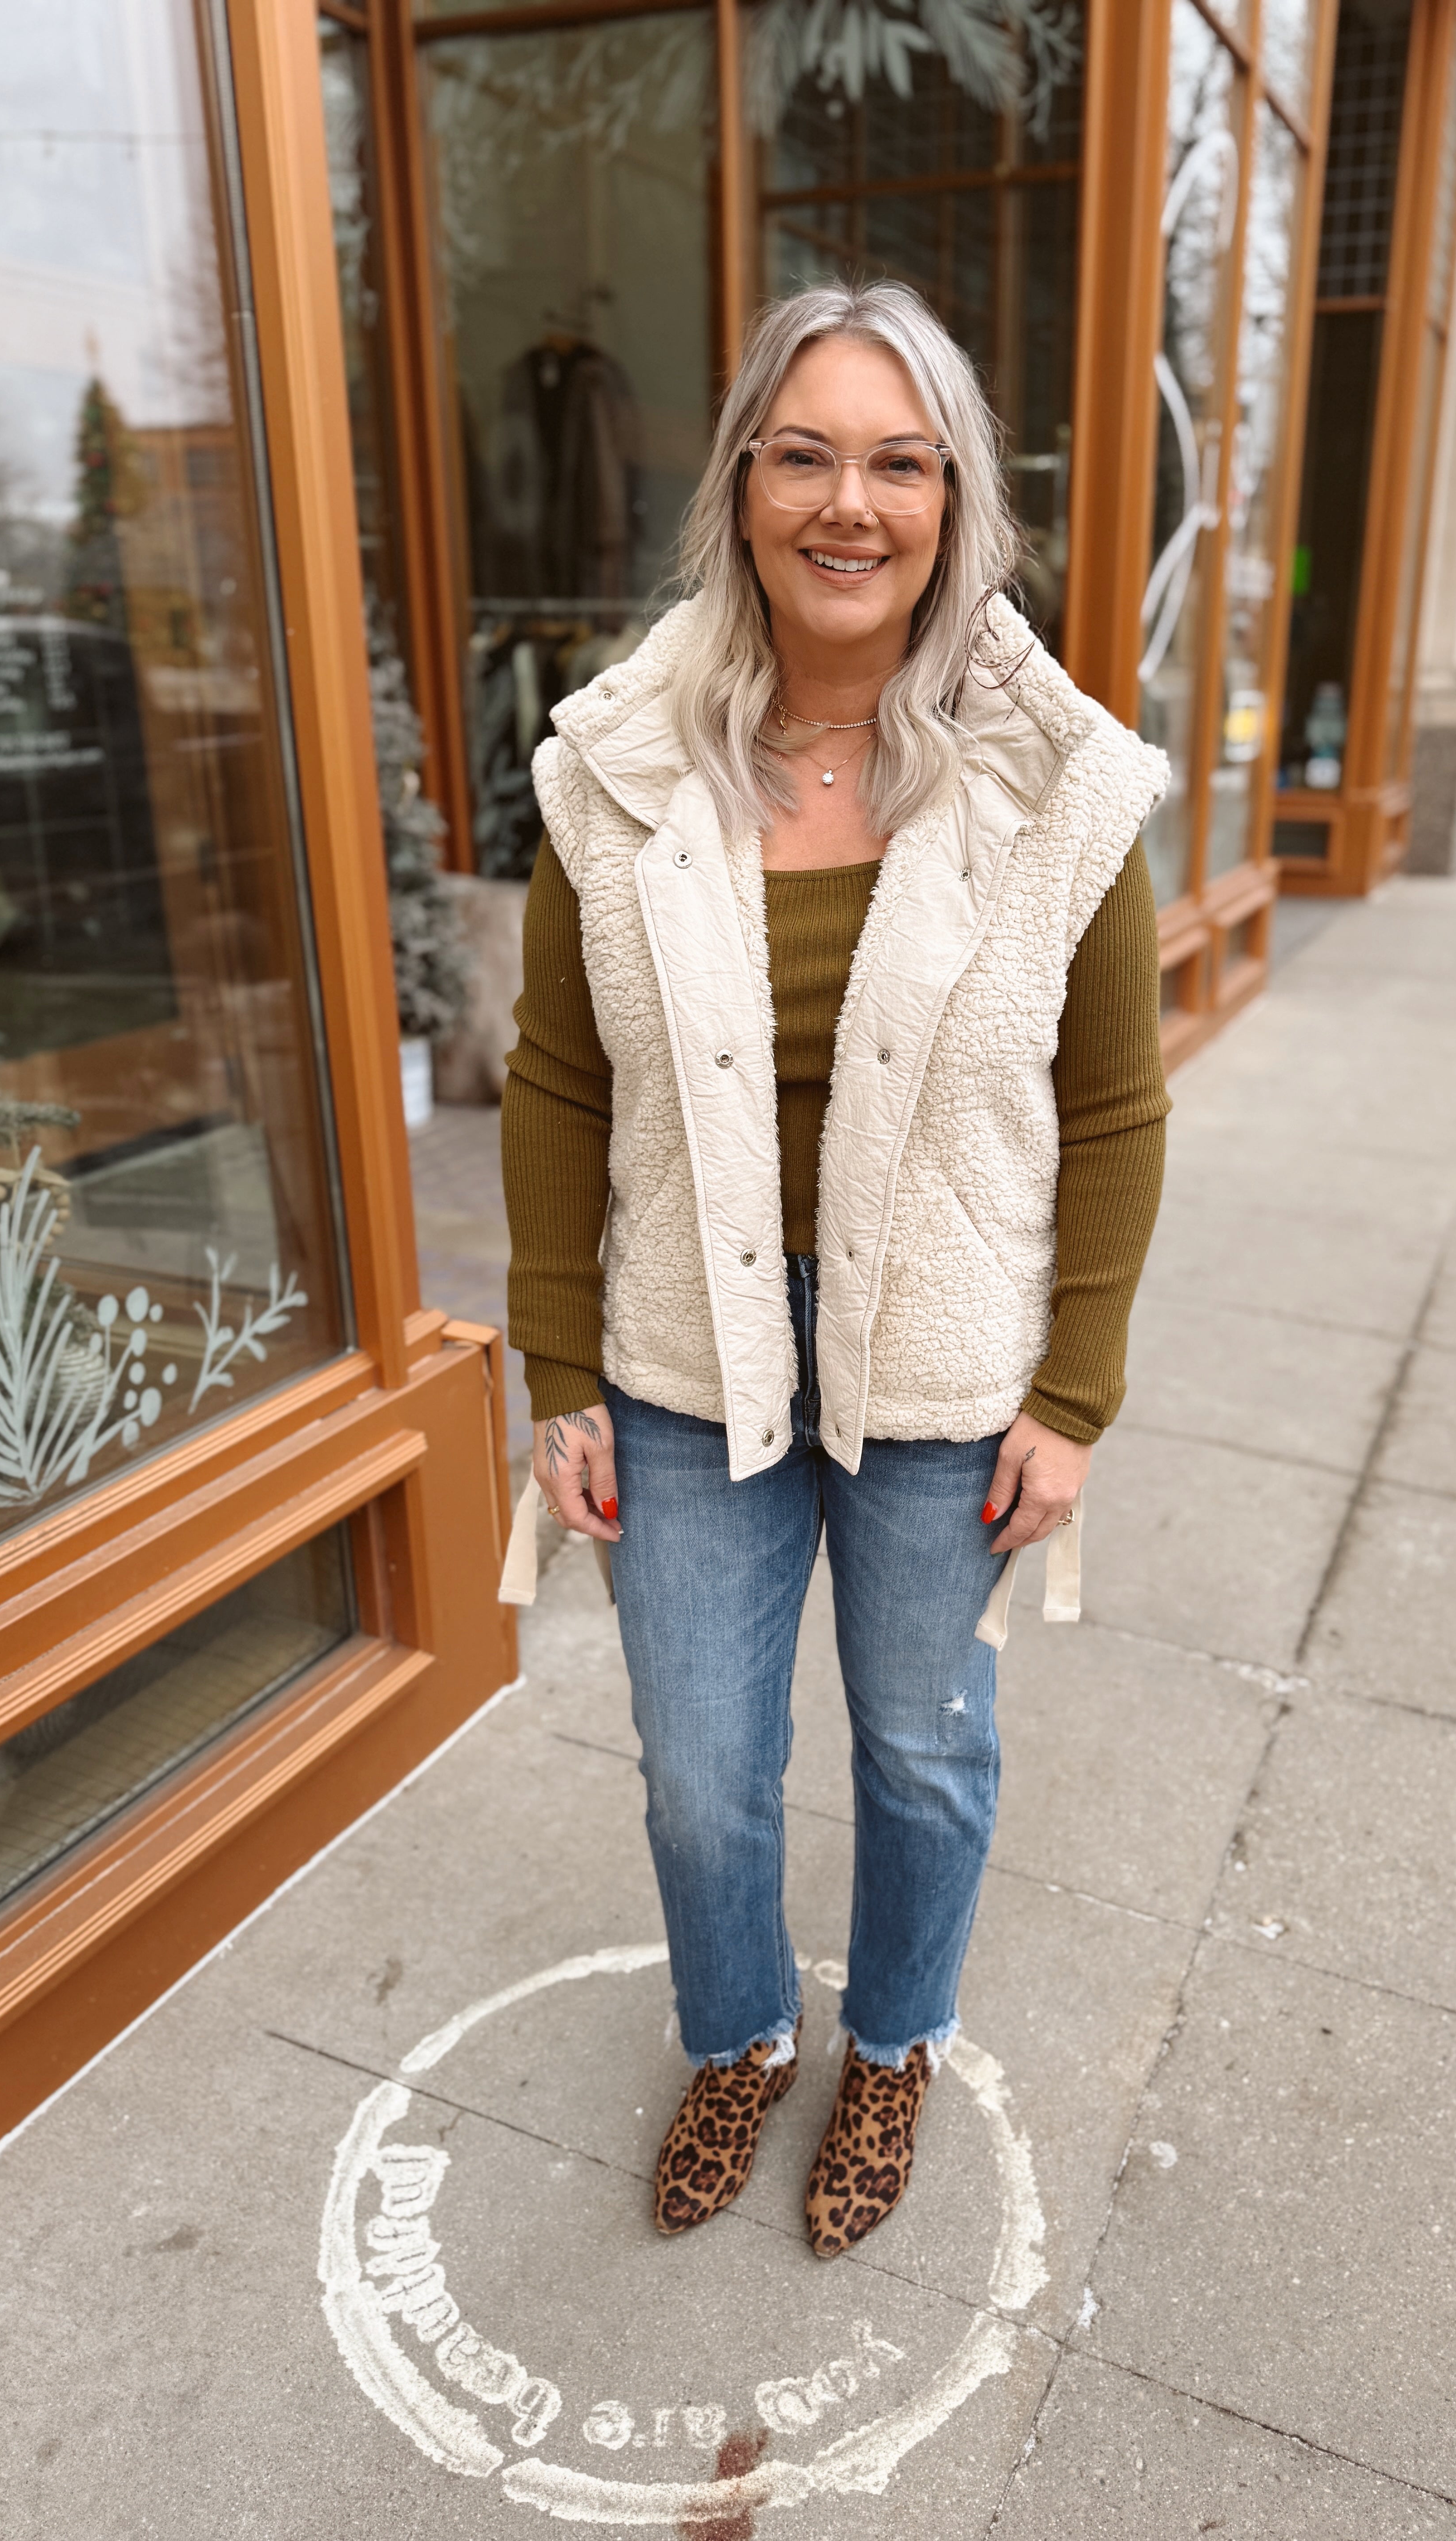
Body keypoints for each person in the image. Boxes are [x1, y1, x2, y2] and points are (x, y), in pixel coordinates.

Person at [502, 279, 1170, 2258]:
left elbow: (1119, 1113)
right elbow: (551, 1076)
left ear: (956, 501)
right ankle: (741, 2036)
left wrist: (1077, 1399)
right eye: (805, 454)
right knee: (704, 1767)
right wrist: (552, 1371)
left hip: (947, 1355)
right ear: (744, 484)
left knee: (920, 1750)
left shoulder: (1060, 788)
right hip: (679, 1348)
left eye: (899, 460)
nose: (849, 502)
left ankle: (892, 2047)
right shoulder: (621, 767)